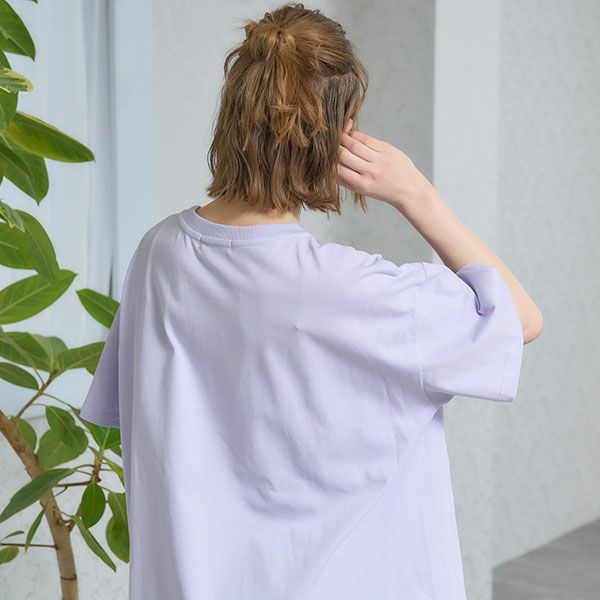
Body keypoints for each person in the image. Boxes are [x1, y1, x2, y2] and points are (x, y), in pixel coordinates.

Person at [80, 3, 543, 599]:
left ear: (233, 114)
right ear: (339, 134)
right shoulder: (357, 292)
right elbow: (520, 319)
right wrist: (417, 194)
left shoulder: (157, 253)